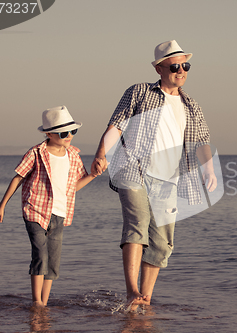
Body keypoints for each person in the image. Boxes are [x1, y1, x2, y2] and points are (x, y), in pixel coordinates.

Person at [92, 40, 217, 308]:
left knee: (162, 243)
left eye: (186, 65)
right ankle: (131, 290)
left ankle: (144, 299)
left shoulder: (191, 105)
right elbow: (116, 125)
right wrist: (101, 153)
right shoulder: (139, 91)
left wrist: (208, 168)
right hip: (133, 169)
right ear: (159, 68)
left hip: (169, 180)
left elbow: (202, 140)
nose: (181, 70)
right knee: (137, 224)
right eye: (175, 66)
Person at [0, 106, 99, 308]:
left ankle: (44, 303)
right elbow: (18, 178)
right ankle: (36, 302)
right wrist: (1, 206)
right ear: (49, 133)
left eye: (72, 131)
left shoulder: (74, 155)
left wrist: (92, 175)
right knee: (40, 254)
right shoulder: (36, 153)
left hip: (60, 213)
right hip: (35, 211)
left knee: (53, 262)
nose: (69, 136)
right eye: (63, 133)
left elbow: (73, 187)